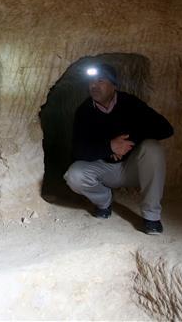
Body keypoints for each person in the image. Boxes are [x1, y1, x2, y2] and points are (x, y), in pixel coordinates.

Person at [63, 63, 174, 235]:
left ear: (114, 85)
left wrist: (129, 143)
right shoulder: (84, 111)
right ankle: (104, 202)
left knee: (153, 148)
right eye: (91, 81)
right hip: (104, 170)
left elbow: (166, 128)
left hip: (133, 169)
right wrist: (109, 147)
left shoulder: (130, 103)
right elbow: (78, 151)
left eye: (100, 81)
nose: (94, 85)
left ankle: (151, 216)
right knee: (74, 175)